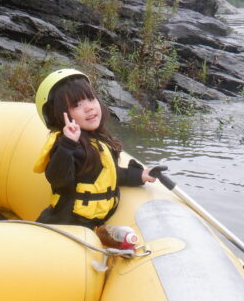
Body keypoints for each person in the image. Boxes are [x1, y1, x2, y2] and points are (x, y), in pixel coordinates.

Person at [33, 69, 155, 228]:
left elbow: (106, 176)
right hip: (64, 226)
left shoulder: (98, 139)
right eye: (77, 105)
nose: (89, 108)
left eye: (91, 99)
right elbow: (58, 178)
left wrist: (140, 175)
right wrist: (68, 144)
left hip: (91, 224)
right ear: (57, 115)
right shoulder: (65, 146)